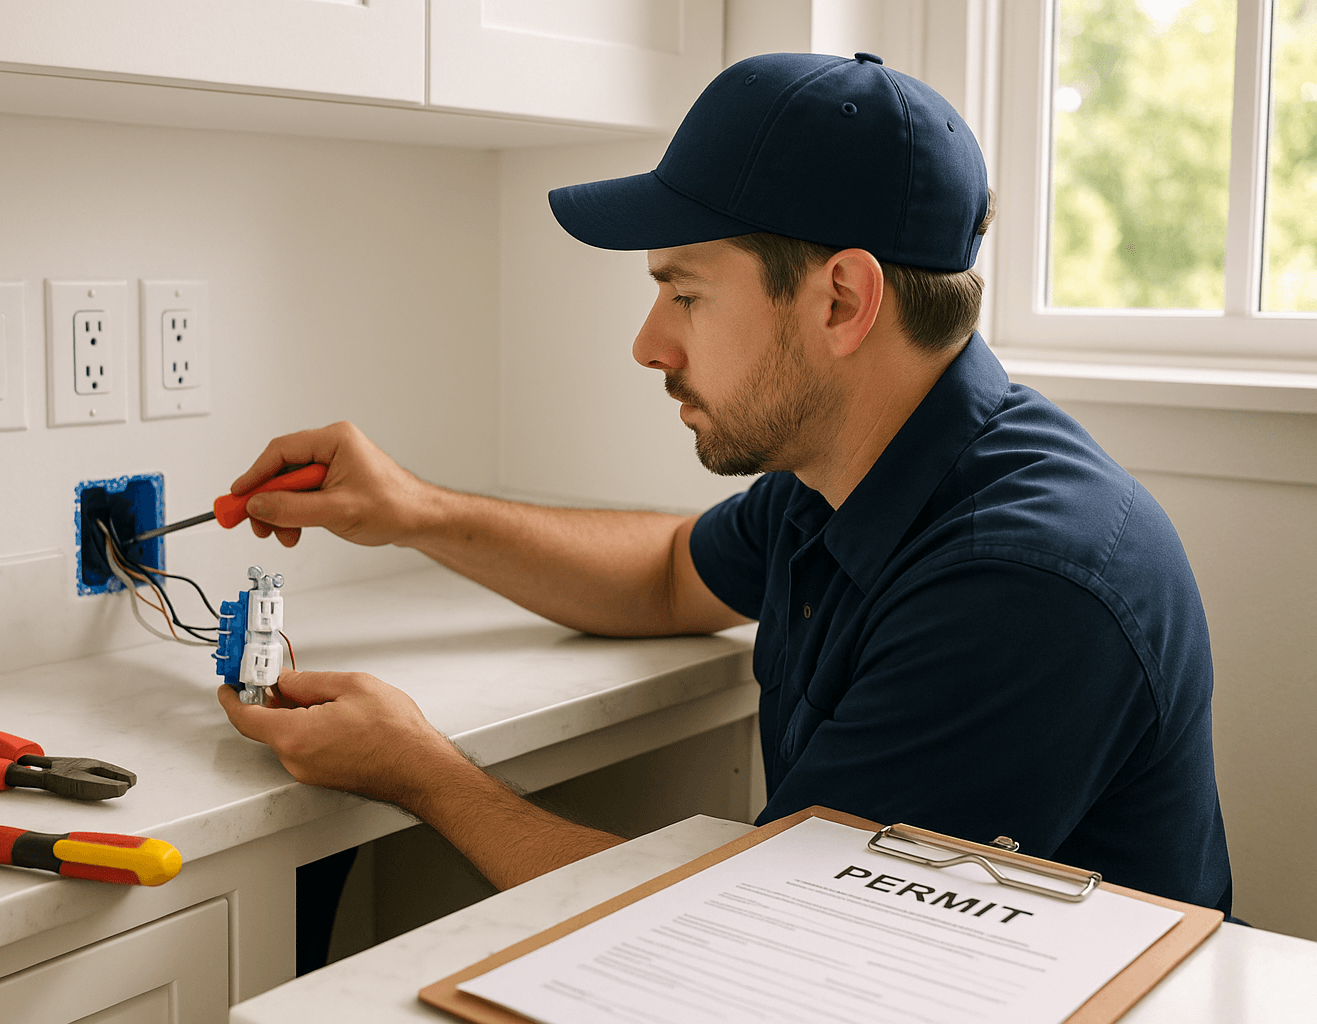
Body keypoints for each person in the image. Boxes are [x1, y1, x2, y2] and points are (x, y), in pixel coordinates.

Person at [218, 52, 1233, 915]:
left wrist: (420, 770)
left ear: (842, 299)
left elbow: (757, 936)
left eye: (685, 292)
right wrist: (413, 510)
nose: (648, 343)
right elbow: (667, 574)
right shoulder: (849, 464)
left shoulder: (1021, 586)